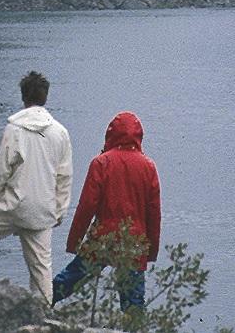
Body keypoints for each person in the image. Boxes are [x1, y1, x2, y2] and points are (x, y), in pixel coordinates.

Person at [0, 70, 73, 304]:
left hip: (13, 206)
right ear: (45, 97)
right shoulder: (60, 133)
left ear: (23, 97)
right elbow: (64, 177)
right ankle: (43, 319)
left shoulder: (14, 129)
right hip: (42, 210)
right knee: (41, 273)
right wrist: (58, 212)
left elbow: (1, 171)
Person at [51, 111, 161, 315]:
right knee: (133, 303)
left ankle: (41, 303)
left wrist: (74, 242)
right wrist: (151, 251)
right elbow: (153, 214)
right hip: (133, 243)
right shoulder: (148, 166)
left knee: (71, 278)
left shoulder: (101, 163)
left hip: (103, 238)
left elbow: (86, 207)